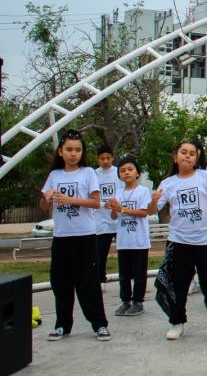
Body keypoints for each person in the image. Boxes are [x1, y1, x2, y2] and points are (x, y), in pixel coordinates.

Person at [150, 141, 207, 342]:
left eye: (192, 153)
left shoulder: (205, 177)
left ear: (197, 157)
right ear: (175, 156)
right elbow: (152, 210)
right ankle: (176, 322)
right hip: (178, 242)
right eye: (183, 152)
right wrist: (153, 200)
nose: (187, 156)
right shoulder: (168, 183)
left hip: (206, 242)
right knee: (179, 286)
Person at [40, 129, 110, 341]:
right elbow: (43, 207)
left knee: (88, 281)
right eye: (69, 149)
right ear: (60, 151)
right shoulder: (54, 175)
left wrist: (71, 200)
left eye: (77, 150)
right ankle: (62, 325)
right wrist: (48, 198)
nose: (73, 154)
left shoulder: (88, 173)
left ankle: (99, 324)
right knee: (60, 281)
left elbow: (96, 202)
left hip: (85, 236)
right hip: (62, 237)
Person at [109, 156, 155, 317]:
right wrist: (114, 208)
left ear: (137, 173)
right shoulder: (118, 192)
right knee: (124, 274)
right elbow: (114, 217)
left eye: (130, 169)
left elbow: (143, 213)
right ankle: (125, 301)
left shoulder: (142, 191)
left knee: (139, 273)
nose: (126, 173)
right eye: (122, 171)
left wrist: (122, 209)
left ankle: (138, 301)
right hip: (123, 241)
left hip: (139, 241)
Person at [94, 143, 122, 289]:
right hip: (101, 221)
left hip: (118, 220)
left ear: (112, 158)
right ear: (97, 159)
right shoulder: (93, 174)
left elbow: (123, 192)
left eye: (108, 158)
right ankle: (100, 280)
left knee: (124, 251)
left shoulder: (118, 173)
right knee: (100, 254)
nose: (105, 161)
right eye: (102, 158)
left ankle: (126, 277)